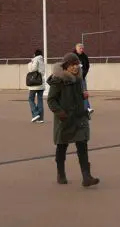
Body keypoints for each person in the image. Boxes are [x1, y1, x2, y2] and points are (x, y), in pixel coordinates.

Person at [47, 53, 99, 187]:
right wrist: (60, 113)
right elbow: (51, 100)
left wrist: (82, 96)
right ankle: (61, 173)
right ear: (66, 66)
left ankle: (86, 176)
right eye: (72, 65)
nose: (76, 67)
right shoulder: (58, 80)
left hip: (79, 117)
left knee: (82, 145)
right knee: (62, 146)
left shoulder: (78, 79)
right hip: (64, 119)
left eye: (77, 64)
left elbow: (74, 97)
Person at [26, 48, 46, 123]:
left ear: (35, 54)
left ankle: (35, 114)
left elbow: (32, 69)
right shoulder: (42, 60)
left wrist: (30, 63)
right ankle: (40, 119)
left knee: (31, 99)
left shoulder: (35, 60)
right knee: (40, 100)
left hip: (34, 83)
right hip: (41, 83)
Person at [75, 43, 93, 114]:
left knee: (84, 92)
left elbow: (87, 66)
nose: (81, 50)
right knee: (74, 93)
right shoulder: (72, 56)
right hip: (74, 78)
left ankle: (87, 108)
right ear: (76, 48)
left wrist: (84, 73)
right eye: (80, 48)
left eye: (82, 48)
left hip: (82, 77)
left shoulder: (84, 56)